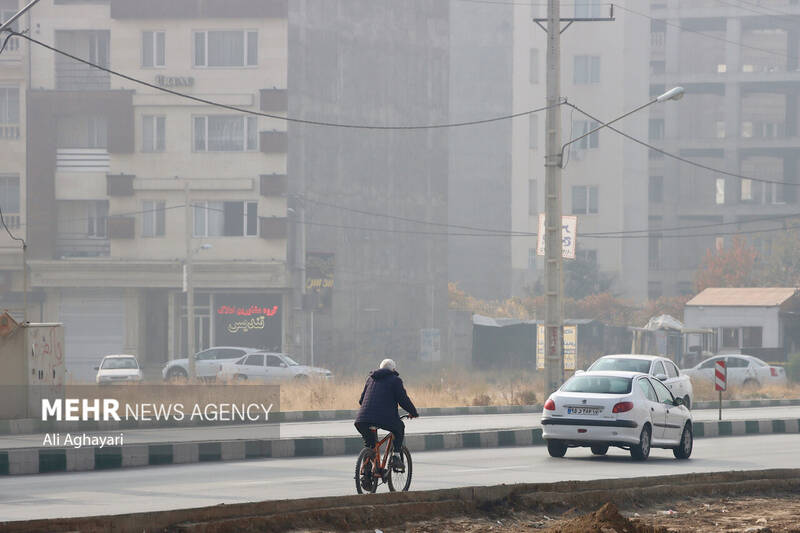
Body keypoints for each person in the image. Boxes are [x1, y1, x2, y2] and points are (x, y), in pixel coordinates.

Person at [354, 358, 419, 469]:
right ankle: (396, 456)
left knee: (370, 445)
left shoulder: (370, 379)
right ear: (393, 369)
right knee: (399, 427)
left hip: (361, 420)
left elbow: (361, 400)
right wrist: (413, 412)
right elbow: (403, 400)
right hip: (384, 418)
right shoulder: (395, 380)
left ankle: (367, 473)